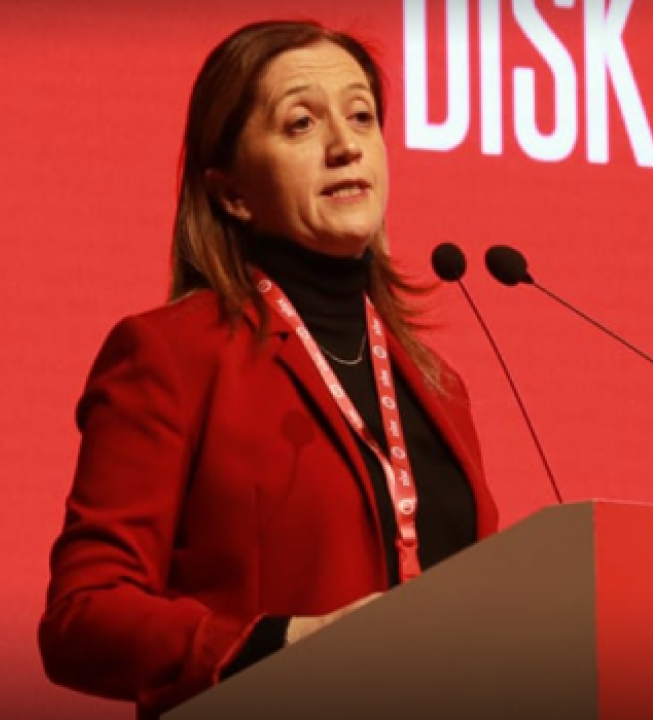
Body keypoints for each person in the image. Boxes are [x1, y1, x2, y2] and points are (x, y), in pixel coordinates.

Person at [37, 18, 500, 719]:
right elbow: (83, 615)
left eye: (361, 117)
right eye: (300, 124)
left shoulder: (438, 384)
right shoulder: (171, 356)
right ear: (231, 193)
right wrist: (283, 643)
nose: (346, 145)